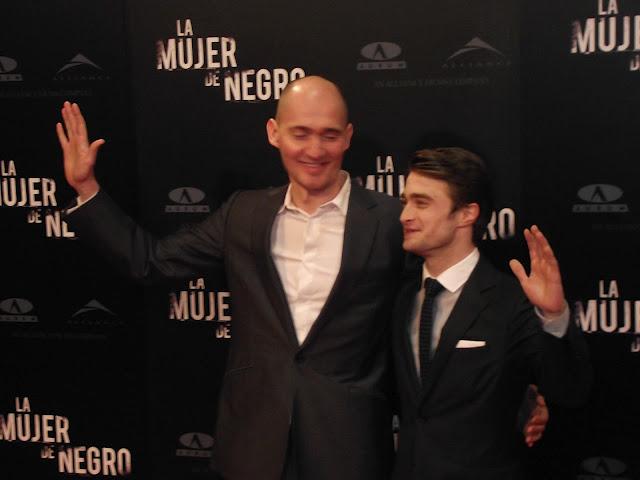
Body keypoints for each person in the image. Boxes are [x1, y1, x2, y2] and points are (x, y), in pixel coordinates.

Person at [56, 77, 547, 479]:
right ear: (273, 132)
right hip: (252, 443)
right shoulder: (243, 214)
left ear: (349, 136)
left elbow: (452, 302)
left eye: (329, 134)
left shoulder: (390, 219)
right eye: (301, 132)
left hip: (350, 445)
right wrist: (87, 188)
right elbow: (151, 262)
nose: (315, 149)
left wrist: (517, 389)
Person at [392, 147, 591, 480]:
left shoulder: (510, 301)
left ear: (466, 214)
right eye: (405, 202)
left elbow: (569, 390)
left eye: (421, 203)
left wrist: (554, 317)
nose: (404, 216)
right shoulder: (399, 296)